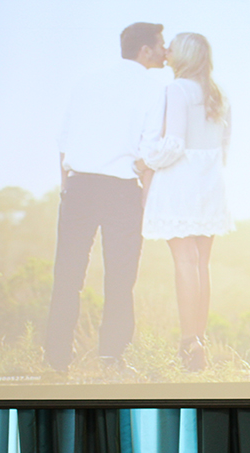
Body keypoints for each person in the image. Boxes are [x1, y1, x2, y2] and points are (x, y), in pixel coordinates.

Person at [44, 22, 167, 375]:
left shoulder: (87, 81)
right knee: (120, 278)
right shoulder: (154, 89)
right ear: (145, 50)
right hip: (121, 190)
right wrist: (147, 197)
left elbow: (63, 141)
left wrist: (65, 187)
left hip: (78, 187)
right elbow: (149, 151)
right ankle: (111, 358)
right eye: (160, 44)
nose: (165, 51)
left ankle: (56, 359)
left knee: (67, 274)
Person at [138, 32, 232, 372]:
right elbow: (225, 146)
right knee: (201, 264)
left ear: (185, 56)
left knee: (184, 262)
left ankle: (188, 341)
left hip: (181, 182)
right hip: (210, 183)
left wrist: (146, 160)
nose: (168, 49)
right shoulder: (218, 94)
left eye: (173, 46)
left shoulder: (176, 90)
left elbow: (174, 145)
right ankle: (198, 339)